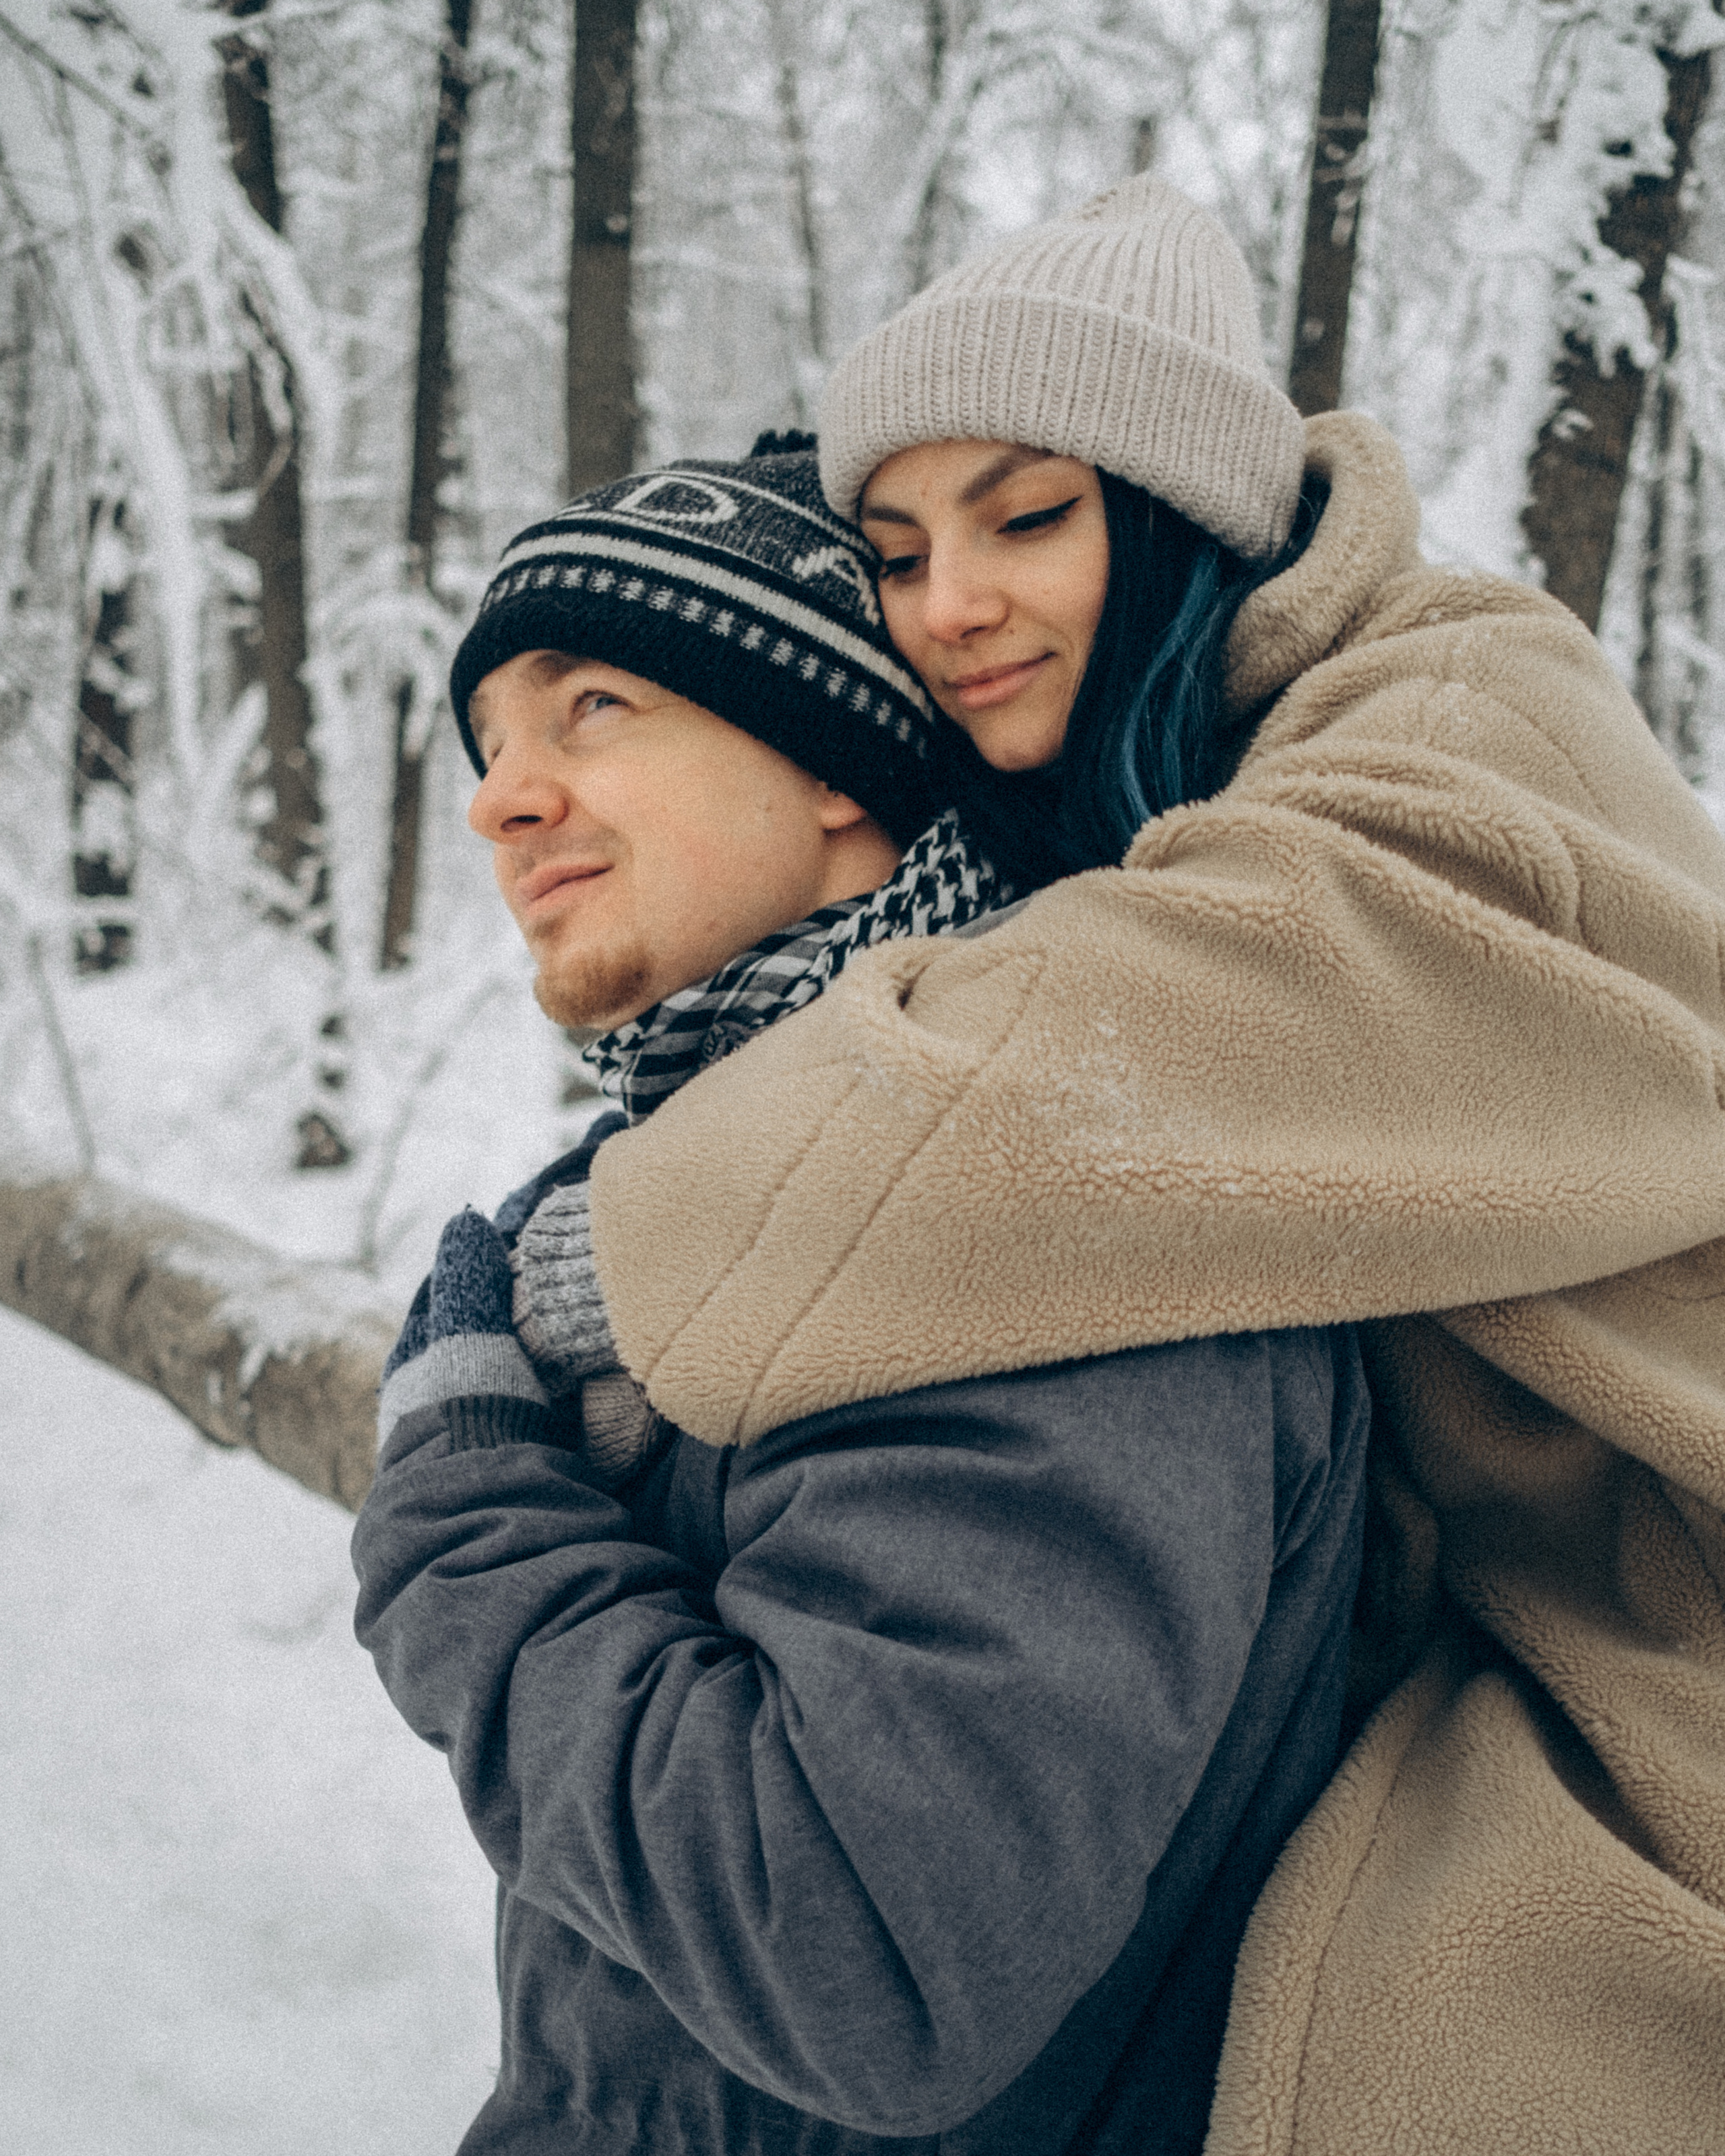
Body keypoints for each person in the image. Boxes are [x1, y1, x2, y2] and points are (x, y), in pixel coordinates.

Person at [560, 179, 1725, 2147]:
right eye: (897, 551)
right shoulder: (1185, 760)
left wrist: (581, 1265)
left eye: (1027, 518)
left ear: (1182, 518)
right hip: (1455, 1616)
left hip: (1649, 1659)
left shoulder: (1458, 743)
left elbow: (1051, 1087)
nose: (949, 602)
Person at [352, 441, 1371, 2156]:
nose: (499, 799)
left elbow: (864, 1961)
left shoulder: (1044, 1187)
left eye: (592, 706)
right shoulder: (717, 1190)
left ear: (834, 759)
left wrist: (460, 1518)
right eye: (492, 743)